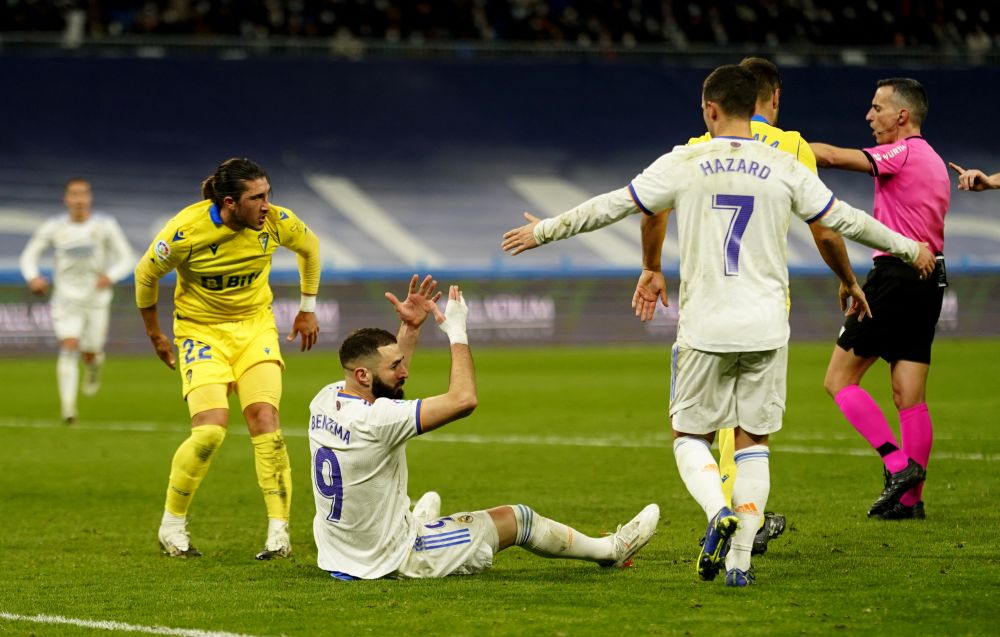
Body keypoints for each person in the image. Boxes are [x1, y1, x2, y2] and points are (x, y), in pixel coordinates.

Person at [502, 65, 935, 586]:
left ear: (710, 109)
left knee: (689, 435)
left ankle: (716, 512)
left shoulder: (685, 160)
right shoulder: (783, 165)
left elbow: (614, 205)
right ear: (755, 105)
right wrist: (912, 248)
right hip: (767, 327)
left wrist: (544, 230)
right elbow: (844, 220)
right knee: (754, 444)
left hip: (706, 326)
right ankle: (740, 563)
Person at [633, 56, 857, 556]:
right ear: (772, 97)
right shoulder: (793, 147)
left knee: (697, 428)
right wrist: (847, 279)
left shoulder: (698, 150)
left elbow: (652, 210)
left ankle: (723, 511)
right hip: (766, 308)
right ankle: (742, 528)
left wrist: (651, 266)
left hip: (709, 307)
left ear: (719, 106)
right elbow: (826, 229)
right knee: (751, 429)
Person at [309, 274, 659, 580]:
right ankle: (610, 550)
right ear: (363, 375)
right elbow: (464, 399)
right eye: (394, 366)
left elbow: (388, 393)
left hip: (339, 554)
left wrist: (411, 329)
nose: (405, 372)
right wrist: (457, 331)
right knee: (519, 519)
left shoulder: (324, 399)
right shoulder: (378, 419)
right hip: (390, 558)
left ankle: (411, 519)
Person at [135, 157, 321, 560]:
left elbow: (310, 247)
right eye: (257, 197)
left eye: (268, 194)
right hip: (201, 334)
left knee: (266, 420)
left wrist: (307, 307)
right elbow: (145, 276)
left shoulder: (276, 222)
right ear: (230, 203)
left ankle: (279, 533)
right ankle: (172, 526)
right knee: (210, 432)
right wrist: (155, 333)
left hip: (255, 330)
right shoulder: (184, 232)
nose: (267, 205)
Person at [811, 78, 950, 520]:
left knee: (838, 380)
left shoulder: (903, 152)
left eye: (877, 109)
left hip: (895, 276)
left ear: (901, 116)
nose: (870, 117)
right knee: (910, 396)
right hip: (931, 279)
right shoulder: (934, 163)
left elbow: (831, 157)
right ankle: (911, 502)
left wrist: (777, 145)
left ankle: (896, 465)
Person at [19, 178, 136, 424]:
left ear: (90, 198)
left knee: (90, 352)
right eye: (74, 194)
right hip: (66, 299)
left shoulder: (105, 225)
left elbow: (127, 258)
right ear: (66, 199)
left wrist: (111, 276)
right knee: (69, 345)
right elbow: (29, 255)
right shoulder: (53, 227)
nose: (79, 199)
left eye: (83, 194)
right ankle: (69, 410)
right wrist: (33, 277)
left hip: (96, 299)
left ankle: (93, 368)